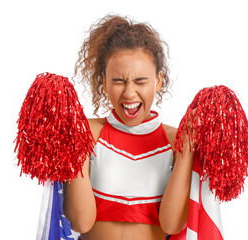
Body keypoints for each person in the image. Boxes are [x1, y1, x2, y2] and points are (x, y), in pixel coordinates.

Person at [63, 14, 195, 240]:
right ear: (104, 81)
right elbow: (80, 221)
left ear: (159, 80)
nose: (129, 93)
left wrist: (187, 149)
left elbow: (172, 225)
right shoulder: (86, 131)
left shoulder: (177, 140)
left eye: (141, 81)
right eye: (118, 81)